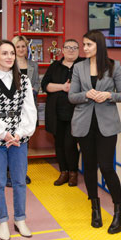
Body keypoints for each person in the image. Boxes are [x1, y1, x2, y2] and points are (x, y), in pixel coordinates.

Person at [68, 30, 121, 234]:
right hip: (84, 124)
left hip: (107, 125)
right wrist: (86, 94)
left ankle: (119, 210)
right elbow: (72, 96)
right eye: (84, 44)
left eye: (88, 45)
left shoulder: (114, 66)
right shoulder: (79, 67)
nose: (84, 48)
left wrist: (108, 95)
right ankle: (95, 209)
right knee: (89, 168)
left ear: (99, 45)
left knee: (107, 167)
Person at [0, 40, 37, 240]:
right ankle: (2, 220)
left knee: (20, 181)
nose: (9, 57)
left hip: (18, 140)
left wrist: (20, 132)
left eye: (12, 53)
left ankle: (20, 219)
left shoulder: (23, 80)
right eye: (4, 53)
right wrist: (3, 134)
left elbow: (29, 110)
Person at [41, 39, 84, 186]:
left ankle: (73, 173)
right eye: (68, 47)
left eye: (74, 47)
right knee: (59, 144)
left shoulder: (84, 65)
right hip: (56, 113)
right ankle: (63, 172)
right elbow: (45, 85)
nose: (71, 50)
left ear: (78, 50)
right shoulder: (55, 66)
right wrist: (62, 87)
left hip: (77, 113)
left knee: (70, 144)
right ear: (63, 50)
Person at [11, 35, 42, 186]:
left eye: (23, 46)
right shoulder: (9, 64)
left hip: (29, 108)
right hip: (13, 108)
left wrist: (31, 91)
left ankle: (22, 172)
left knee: (25, 142)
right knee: (12, 140)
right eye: (18, 46)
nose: (21, 49)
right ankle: (11, 172)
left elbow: (37, 83)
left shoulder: (33, 65)